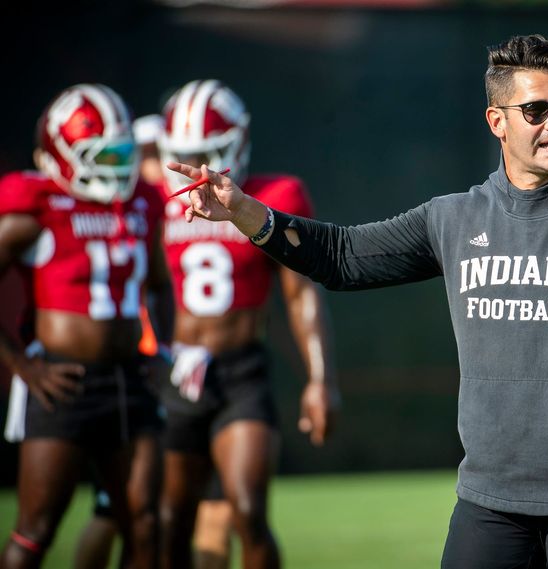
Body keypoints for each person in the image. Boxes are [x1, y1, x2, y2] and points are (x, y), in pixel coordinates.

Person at [170, 34, 548, 569]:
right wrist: (244, 212)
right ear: (497, 122)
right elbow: (341, 257)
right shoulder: (452, 218)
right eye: (536, 111)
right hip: (489, 497)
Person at [156, 79, 340, 569]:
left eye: (206, 154)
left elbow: (301, 291)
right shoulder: (153, 196)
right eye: (184, 155)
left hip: (241, 372)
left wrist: (320, 379)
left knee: (249, 511)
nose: (195, 169)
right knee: (170, 520)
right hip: (178, 372)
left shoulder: (275, 195)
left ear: (236, 143)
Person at [0, 84, 173, 568]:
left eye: (121, 155)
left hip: (129, 381)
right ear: (62, 156)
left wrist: (165, 349)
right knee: (35, 532)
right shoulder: (36, 205)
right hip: (62, 380)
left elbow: (160, 283)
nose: (116, 169)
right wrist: (21, 365)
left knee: (145, 524)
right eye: (101, 157)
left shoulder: (140, 203)